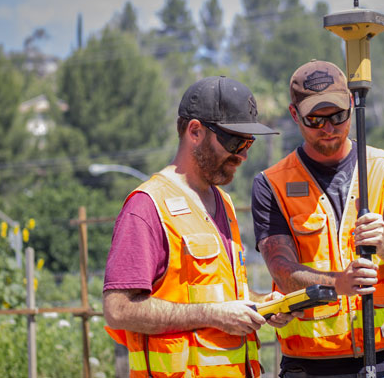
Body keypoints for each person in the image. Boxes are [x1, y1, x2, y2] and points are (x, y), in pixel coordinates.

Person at [103, 75, 299, 378]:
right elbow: (118, 310)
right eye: (235, 141)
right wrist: (214, 316)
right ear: (195, 131)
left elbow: (217, 296)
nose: (243, 155)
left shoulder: (225, 203)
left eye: (249, 143)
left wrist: (261, 305)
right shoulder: (147, 206)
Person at [251, 60, 384, 378]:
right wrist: (340, 284)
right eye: (315, 119)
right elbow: (283, 271)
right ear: (295, 115)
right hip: (310, 364)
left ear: (351, 103)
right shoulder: (271, 184)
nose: (328, 128)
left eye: (337, 115)